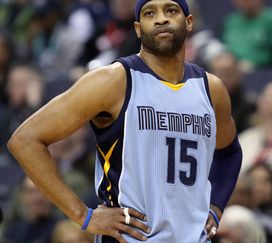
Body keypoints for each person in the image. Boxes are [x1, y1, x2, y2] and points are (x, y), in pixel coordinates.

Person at [7, 0, 243, 242]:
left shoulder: (210, 88)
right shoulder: (112, 81)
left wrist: (216, 206)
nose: (161, 19)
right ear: (138, 28)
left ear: (189, 22)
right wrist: (83, 216)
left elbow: (229, 153)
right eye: (150, 13)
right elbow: (25, 140)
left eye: (171, 10)